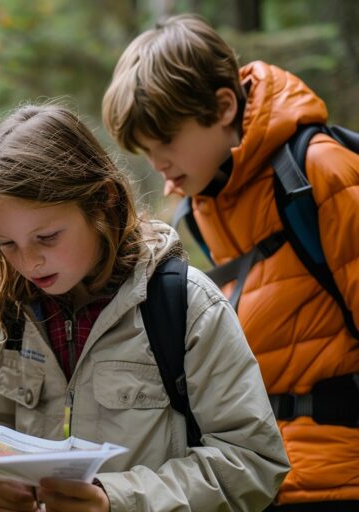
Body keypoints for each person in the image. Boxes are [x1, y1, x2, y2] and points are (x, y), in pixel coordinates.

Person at [0, 103, 289, 512]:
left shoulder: (187, 306)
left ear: (103, 202)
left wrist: (115, 500)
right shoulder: (12, 315)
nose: (27, 262)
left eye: (46, 237)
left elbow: (254, 463)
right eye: (6, 243)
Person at [102, 14, 359, 510]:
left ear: (222, 107)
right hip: (265, 472)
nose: (156, 162)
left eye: (167, 141)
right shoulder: (208, 202)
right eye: (145, 149)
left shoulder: (320, 174)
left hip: (340, 475)